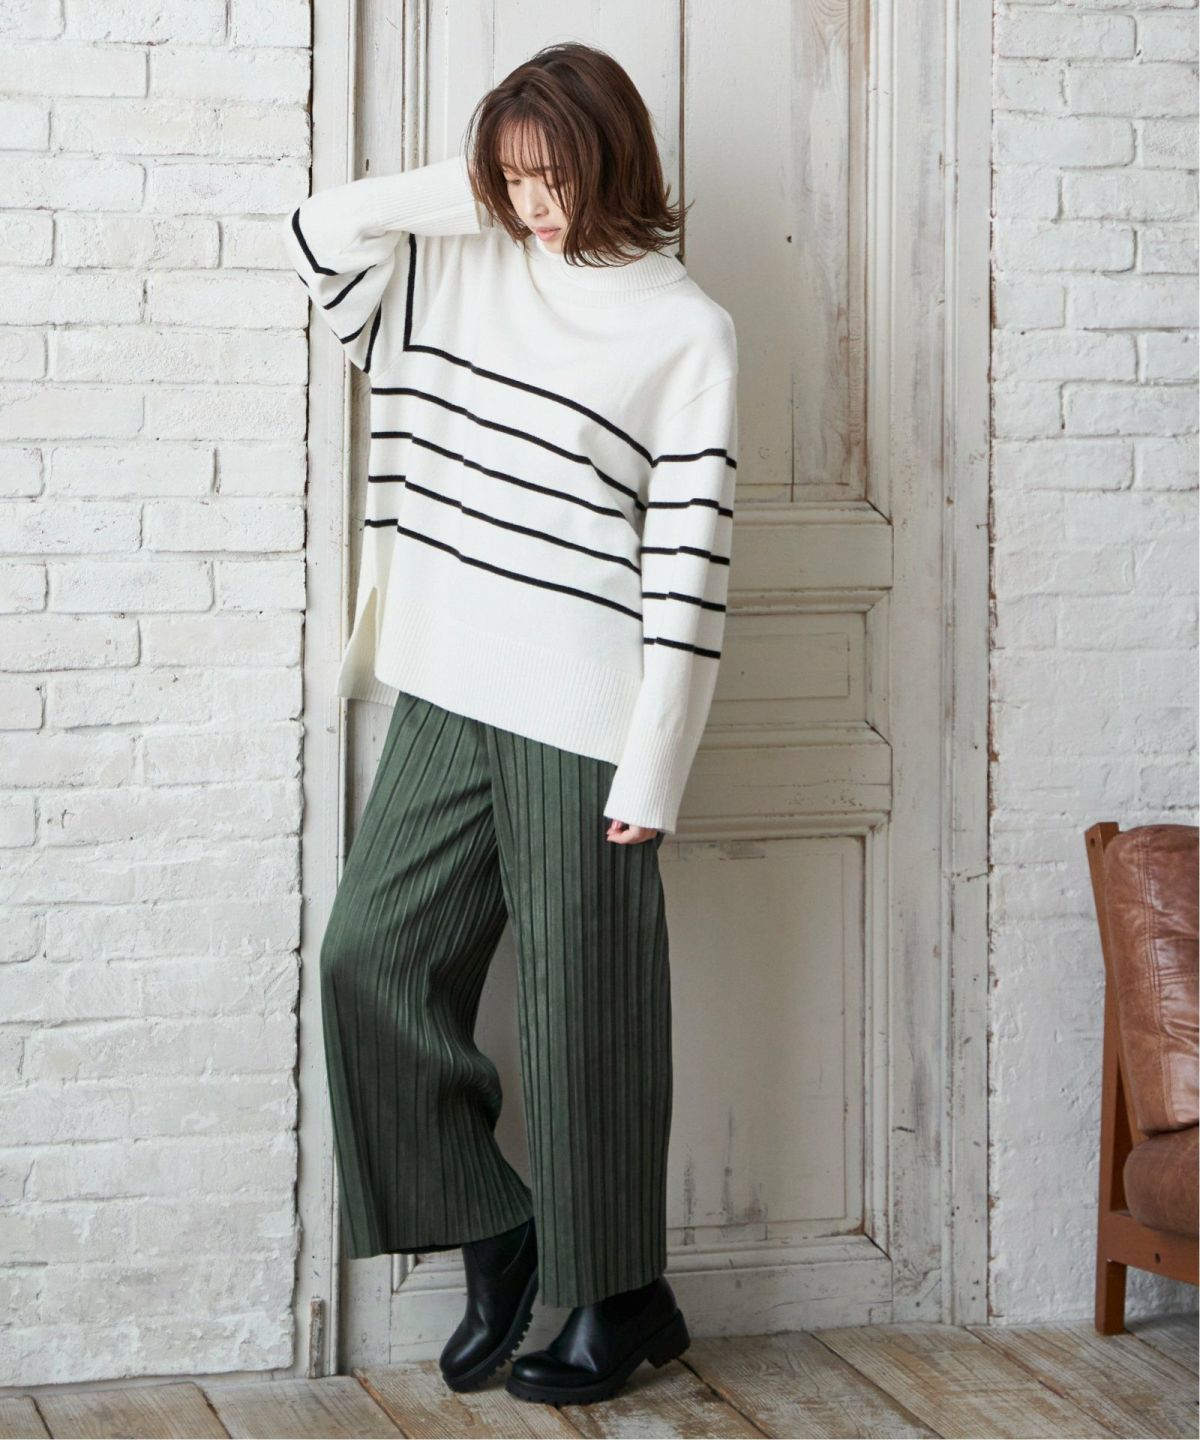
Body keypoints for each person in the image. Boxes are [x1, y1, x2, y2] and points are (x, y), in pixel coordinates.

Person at [283, 39, 738, 1407]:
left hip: (583, 709)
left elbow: (689, 561)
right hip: (445, 677)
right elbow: (323, 229)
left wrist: (655, 764)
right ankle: (496, 1225)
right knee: (369, 958)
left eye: (556, 175)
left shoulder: (686, 329)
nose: (535, 206)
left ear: (617, 160)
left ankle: (616, 1296)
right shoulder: (456, 265)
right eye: (513, 177)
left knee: (585, 1015)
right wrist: (482, 183)